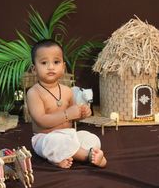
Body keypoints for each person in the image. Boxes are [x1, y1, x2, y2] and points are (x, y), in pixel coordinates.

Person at [27, 39, 107, 169]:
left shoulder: (67, 91)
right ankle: (89, 156)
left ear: (63, 67)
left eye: (56, 62)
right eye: (44, 63)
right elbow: (41, 121)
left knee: (90, 138)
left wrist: (82, 114)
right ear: (34, 69)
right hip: (45, 138)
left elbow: (73, 116)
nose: (51, 67)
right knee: (56, 142)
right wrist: (67, 114)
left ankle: (61, 156)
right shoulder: (34, 93)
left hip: (69, 134)